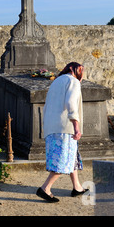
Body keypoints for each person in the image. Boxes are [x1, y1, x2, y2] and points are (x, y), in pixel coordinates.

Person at [36, 62, 88, 203]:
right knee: (63, 160)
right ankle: (45, 188)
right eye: (81, 70)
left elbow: (47, 106)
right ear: (73, 69)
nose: (82, 73)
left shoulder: (56, 82)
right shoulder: (73, 82)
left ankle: (77, 187)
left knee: (71, 157)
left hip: (52, 126)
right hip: (65, 127)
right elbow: (71, 103)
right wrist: (76, 127)